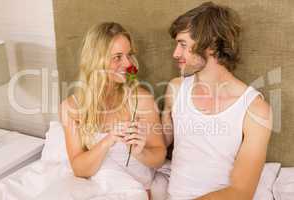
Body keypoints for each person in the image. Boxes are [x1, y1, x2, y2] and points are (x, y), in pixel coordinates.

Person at [162, 2, 272, 199]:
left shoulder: (255, 109)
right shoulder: (176, 89)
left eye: (183, 44)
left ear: (211, 45)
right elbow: (161, 145)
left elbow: (241, 192)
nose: (175, 54)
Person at [59, 22, 166, 199]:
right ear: (96, 61)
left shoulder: (141, 99)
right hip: (99, 187)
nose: (128, 64)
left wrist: (141, 151)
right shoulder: (71, 108)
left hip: (135, 188)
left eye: (129, 55)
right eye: (117, 57)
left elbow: (159, 156)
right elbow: (79, 170)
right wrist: (108, 140)